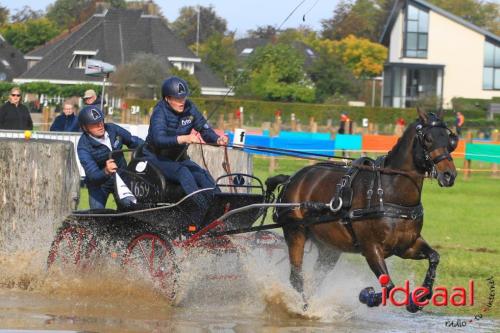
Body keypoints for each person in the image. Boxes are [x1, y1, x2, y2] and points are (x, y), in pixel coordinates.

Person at [143, 76, 228, 223]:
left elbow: (204, 130)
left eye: (183, 98)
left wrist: (217, 140)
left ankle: (221, 210)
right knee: (184, 173)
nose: (181, 102)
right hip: (156, 158)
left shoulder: (190, 108)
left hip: (179, 157)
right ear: (167, 98)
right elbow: (158, 139)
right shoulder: (160, 112)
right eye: (177, 99)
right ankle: (203, 210)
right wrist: (184, 138)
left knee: (202, 174)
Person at [77, 105, 143, 209]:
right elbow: (93, 175)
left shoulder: (113, 129)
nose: (100, 125)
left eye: (101, 121)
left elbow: (133, 141)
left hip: (122, 179)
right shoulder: (83, 147)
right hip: (99, 186)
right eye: (94, 124)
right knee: (97, 216)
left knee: (131, 210)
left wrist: (151, 147)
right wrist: (106, 171)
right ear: (85, 127)